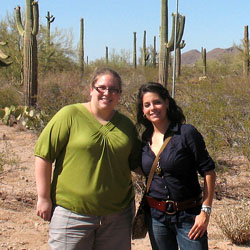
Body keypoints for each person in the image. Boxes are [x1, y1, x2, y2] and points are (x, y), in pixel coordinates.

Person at [34, 68, 141, 250]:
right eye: (102, 88)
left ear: (119, 95)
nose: (107, 93)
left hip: (117, 216)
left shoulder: (126, 125)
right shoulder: (69, 115)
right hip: (72, 213)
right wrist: (43, 197)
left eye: (114, 89)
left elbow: (138, 163)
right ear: (91, 89)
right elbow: (43, 156)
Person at [136, 82, 216, 250]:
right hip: (157, 217)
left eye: (157, 102)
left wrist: (205, 212)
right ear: (142, 110)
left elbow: (208, 171)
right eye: (147, 105)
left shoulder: (186, 133)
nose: (153, 108)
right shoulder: (144, 140)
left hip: (189, 217)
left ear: (166, 102)